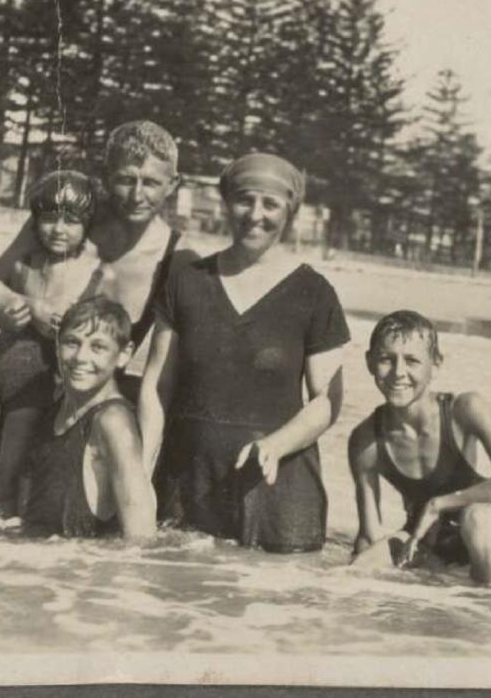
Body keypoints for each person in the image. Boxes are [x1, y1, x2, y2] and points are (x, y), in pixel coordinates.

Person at [139, 153, 349, 553]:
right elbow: (157, 384)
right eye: (244, 199)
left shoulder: (314, 293)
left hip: (276, 490)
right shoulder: (187, 282)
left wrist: (276, 445)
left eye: (270, 204)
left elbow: (327, 400)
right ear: (226, 202)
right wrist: (143, 467)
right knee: (166, 599)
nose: (255, 214)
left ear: (290, 211)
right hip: (187, 482)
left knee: (265, 609)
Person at [0, 121, 192, 477]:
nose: (136, 195)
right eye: (124, 179)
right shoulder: (68, 222)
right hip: (23, 383)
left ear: (173, 184)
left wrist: (141, 464)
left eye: (150, 182)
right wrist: (27, 306)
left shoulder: (175, 258)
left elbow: (158, 375)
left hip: (90, 405)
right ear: (104, 176)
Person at [0, 170, 102, 514]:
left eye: (71, 221)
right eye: (49, 219)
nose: (58, 229)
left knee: (5, 482)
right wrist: (23, 307)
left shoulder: (93, 271)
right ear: (34, 220)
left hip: (36, 382)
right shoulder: (24, 261)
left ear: (88, 224)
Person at [348, 311, 491, 587]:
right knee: (360, 568)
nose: (399, 372)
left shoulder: (464, 410)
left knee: (477, 519)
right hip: (426, 538)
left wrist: (441, 503)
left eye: (412, 360)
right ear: (369, 362)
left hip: (489, 529)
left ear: (435, 365)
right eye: (387, 359)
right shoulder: (366, 441)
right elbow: (368, 534)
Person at [1, 297, 157, 540]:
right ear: (56, 346)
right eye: (72, 343)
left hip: (79, 569)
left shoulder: (112, 422)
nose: (81, 357)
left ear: (124, 355)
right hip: (37, 562)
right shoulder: (54, 410)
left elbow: (141, 537)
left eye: (98, 347)